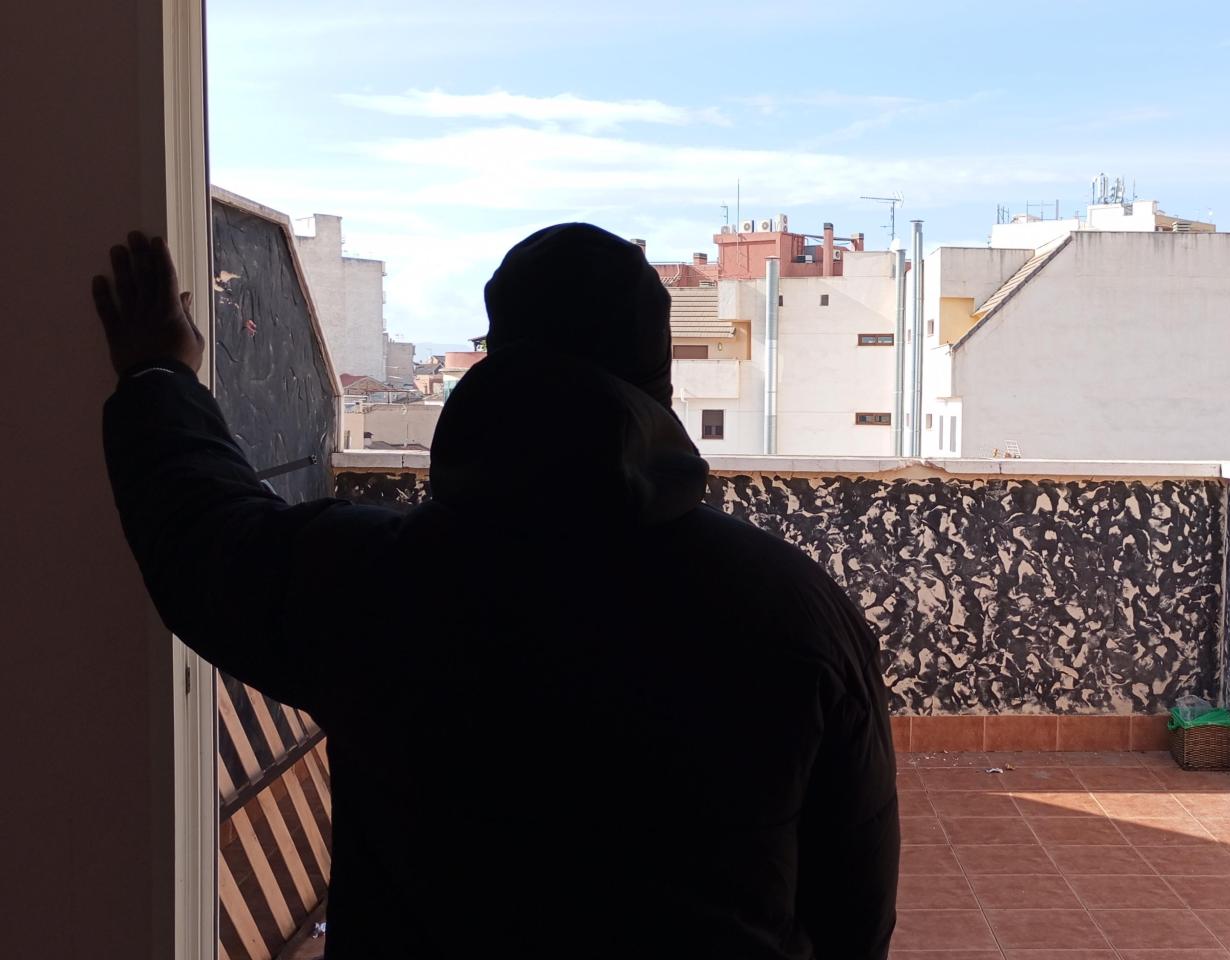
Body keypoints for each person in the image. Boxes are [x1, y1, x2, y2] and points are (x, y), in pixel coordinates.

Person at [93, 227, 899, 958]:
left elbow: (205, 538)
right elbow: (854, 912)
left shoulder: (377, 582)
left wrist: (158, 373)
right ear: (661, 378)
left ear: (498, 359)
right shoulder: (798, 611)